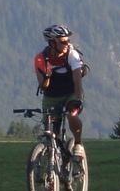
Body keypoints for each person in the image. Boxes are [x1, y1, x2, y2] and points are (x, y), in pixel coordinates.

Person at [34, 23, 87, 158]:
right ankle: (51, 162)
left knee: (72, 115)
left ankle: (78, 144)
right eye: (63, 41)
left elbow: (77, 79)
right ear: (52, 43)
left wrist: (78, 99)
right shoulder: (41, 59)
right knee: (49, 132)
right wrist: (47, 75)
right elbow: (44, 86)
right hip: (51, 96)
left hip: (71, 93)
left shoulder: (72, 54)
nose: (67, 43)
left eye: (68, 40)